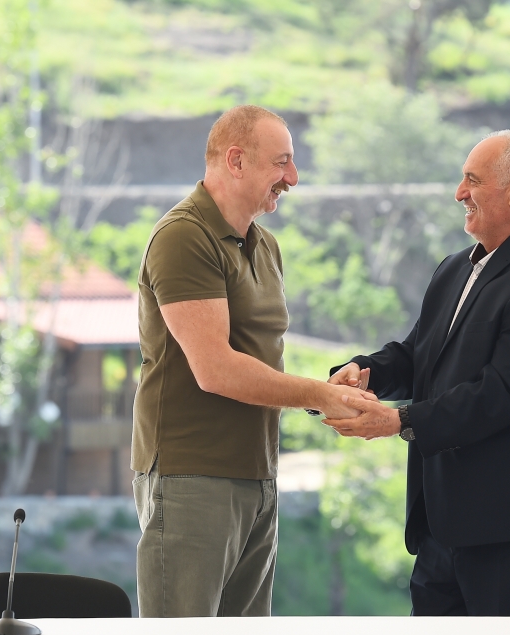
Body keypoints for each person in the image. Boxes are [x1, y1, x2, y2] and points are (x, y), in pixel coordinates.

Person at [322, 129, 510, 616]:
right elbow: (419, 356)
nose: (459, 193)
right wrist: (364, 372)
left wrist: (399, 421)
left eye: (473, 180)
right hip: (443, 527)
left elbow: (501, 394)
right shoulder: (453, 268)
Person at [131, 105, 372, 618]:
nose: (293, 177)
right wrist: (320, 395)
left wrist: (331, 387)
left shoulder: (266, 246)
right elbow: (215, 368)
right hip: (191, 476)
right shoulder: (183, 236)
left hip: (258, 475)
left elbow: (261, 359)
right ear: (236, 160)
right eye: (281, 162)